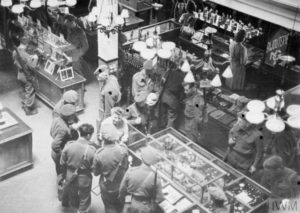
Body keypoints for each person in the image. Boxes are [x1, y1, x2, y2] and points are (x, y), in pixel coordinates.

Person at [92, 124, 129, 213]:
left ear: (103, 139)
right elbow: (126, 165)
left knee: (109, 206)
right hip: (121, 183)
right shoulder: (123, 149)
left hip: (107, 185)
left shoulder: (99, 154)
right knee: (121, 203)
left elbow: (96, 173)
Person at [60, 124, 96, 213]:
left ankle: (74, 208)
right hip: (84, 179)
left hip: (70, 175)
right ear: (88, 135)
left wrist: (65, 175)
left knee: (73, 194)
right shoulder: (91, 150)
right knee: (84, 198)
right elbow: (94, 168)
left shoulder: (69, 145)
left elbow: (62, 163)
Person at [119, 146, 164, 213]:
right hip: (145, 207)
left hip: (131, 203)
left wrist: (126, 203)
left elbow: (122, 191)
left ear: (142, 158)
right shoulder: (156, 177)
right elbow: (159, 198)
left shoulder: (130, 171)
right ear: (153, 162)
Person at [11, 28, 38, 115]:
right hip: (27, 76)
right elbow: (31, 66)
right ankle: (28, 109)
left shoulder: (16, 50)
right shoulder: (25, 54)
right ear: (25, 41)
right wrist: (35, 58)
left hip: (20, 74)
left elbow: (15, 62)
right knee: (30, 91)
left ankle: (24, 103)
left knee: (24, 90)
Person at [178, 72, 207, 143]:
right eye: (184, 89)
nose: (185, 92)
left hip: (192, 125)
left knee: (191, 141)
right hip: (188, 123)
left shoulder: (196, 100)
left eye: (187, 90)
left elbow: (198, 117)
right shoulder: (191, 93)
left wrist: (197, 128)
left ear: (193, 88)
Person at [50, 104, 79, 176]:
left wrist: (70, 128)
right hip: (60, 153)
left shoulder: (57, 119)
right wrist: (64, 155)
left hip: (55, 153)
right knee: (63, 173)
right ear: (69, 117)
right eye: (73, 115)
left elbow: (51, 132)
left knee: (59, 169)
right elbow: (54, 145)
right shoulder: (62, 129)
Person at [64, 14, 90, 78]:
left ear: (72, 22)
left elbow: (86, 47)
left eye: (67, 22)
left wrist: (77, 56)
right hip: (69, 53)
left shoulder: (80, 32)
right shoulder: (69, 28)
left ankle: (82, 86)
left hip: (76, 55)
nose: (65, 24)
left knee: (77, 72)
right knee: (68, 70)